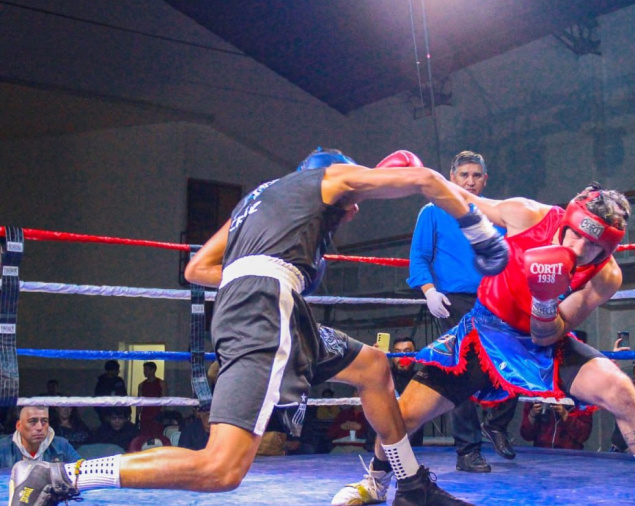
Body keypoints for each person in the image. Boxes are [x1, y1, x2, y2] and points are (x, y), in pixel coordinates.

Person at [10, 147, 505, 506]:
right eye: (349, 203)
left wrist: (265, 276)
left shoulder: (257, 202)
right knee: (221, 468)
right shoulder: (325, 177)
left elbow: (196, 269)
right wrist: (480, 233)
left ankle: (409, 483)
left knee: (373, 366)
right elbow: (424, 180)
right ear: (330, 177)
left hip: (274, 305)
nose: (353, 211)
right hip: (264, 311)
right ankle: (60, 475)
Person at [336, 183, 635, 506]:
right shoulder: (527, 215)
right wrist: (417, 178)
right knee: (402, 414)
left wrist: (545, 299)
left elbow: (550, 333)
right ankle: (375, 482)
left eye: (593, 247)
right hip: (481, 333)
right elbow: (461, 199)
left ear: (607, 251)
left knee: (621, 390)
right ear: (565, 221)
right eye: (575, 235)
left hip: (541, 343)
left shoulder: (606, 276)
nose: (578, 249)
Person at [407, 150, 517, 473]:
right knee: (462, 373)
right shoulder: (432, 211)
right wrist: (429, 292)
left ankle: (496, 424)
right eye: (464, 174)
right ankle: (467, 451)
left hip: (495, 300)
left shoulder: (495, 214)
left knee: (514, 360)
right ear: (452, 177)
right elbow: (419, 257)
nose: (470, 180)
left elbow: (509, 258)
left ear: (485, 179)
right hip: (453, 301)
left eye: (476, 175)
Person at [363, 336, 425, 451]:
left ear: (415, 354)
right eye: (397, 353)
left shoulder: (422, 378)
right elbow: (364, 378)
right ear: (392, 356)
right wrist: (375, 360)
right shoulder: (381, 374)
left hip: (412, 445)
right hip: (378, 444)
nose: (402, 356)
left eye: (407, 352)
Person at [0, 406, 81, 468]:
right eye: (33, 421)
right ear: (19, 426)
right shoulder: (2, 448)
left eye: (44, 421)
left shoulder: (62, 445)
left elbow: (81, 471)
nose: (39, 427)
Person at [520, 401, 593, 449]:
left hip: (569, 456)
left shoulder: (581, 400)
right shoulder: (537, 396)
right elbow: (526, 435)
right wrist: (532, 415)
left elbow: (584, 435)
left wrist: (566, 416)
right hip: (542, 454)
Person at [136, 362, 165, 438]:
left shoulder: (161, 383)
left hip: (156, 414)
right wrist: (137, 416)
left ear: (153, 370)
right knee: (144, 436)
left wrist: (162, 414)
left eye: (147, 370)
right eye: (144, 370)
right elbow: (139, 402)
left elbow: (164, 400)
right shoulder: (141, 385)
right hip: (145, 415)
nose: (144, 372)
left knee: (157, 436)